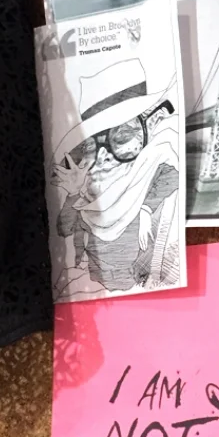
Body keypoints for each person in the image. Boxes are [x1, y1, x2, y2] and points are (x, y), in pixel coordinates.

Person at [50, 59, 181, 299]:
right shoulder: (87, 188)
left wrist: (146, 208)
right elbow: (63, 228)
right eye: (92, 144)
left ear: (150, 125)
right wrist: (74, 193)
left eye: (122, 135)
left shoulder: (157, 162)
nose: (104, 156)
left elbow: (170, 175)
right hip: (94, 291)